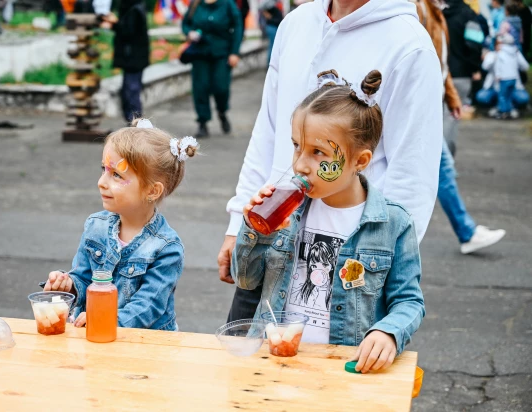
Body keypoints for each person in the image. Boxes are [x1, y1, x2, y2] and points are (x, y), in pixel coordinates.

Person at [219, 0, 443, 323]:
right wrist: (237, 219)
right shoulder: (295, 25)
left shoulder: (410, 46)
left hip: (346, 269)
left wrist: (381, 271)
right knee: (245, 368)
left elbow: (412, 173)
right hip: (272, 234)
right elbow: (267, 130)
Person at [232, 70, 425, 373]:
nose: (300, 165)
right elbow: (246, 280)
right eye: (297, 146)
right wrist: (253, 233)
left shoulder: (393, 223)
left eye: (317, 153)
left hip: (343, 367)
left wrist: (388, 332)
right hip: (274, 362)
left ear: (359, 161)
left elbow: (409, 301)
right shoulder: (287, 211)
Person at [43, 119, 198, 331]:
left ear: (152, 191)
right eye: (103, 169)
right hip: (93, 333)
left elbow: (148, 305)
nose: (102, 181)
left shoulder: (166, 248)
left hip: (144, 346)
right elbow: (83, 277)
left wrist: (107, 319)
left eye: (116, 174)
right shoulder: (95, 226)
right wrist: (67, 285)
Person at [414, 0, 507, 254]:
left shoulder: (436, 13)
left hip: (425, 107)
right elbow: (420, 63)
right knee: (439, 168)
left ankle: (466, 232)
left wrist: (451, 97)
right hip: (418, 109)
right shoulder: (418, 9)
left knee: (441, 167)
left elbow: (439, 65)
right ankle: (465, 232)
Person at [182, 0, 243, 138]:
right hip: (200, 53)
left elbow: (238, 26)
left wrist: (234, 52)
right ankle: (202, 122)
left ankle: (222, 111)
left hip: (221, 53)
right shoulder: (196, 4)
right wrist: (189, 33)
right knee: (200, 87)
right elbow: (185, 23)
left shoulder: (227, 4)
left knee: (221, 87)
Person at [443, 0, 483, 156]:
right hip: (461, 75)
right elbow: (474, 44)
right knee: (451, 118)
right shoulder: (468, 15)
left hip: (440, 73)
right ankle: (445, 162)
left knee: (436, 119)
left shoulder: (438, 13)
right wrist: (475, 68)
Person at [101, 0, 150, 124]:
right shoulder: (134, 8)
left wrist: (114, 23)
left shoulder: (134, 10)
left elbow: (128, 32)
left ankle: (135, 123)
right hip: (132, 59)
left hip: (133, 59)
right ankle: (133, 121)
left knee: (131, 91)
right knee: (128, 91)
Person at [478, 34, 530, 118]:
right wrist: (495, 56)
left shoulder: (514, 53)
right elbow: (485, 66)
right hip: (495, 87)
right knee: (484, 96)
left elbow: (525, 67)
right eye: (498, 44)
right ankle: (500, 109)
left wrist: (517, 55)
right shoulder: (493, 55)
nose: (501, 46)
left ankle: (509, 109)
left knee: (520, 97)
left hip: (512, 85)